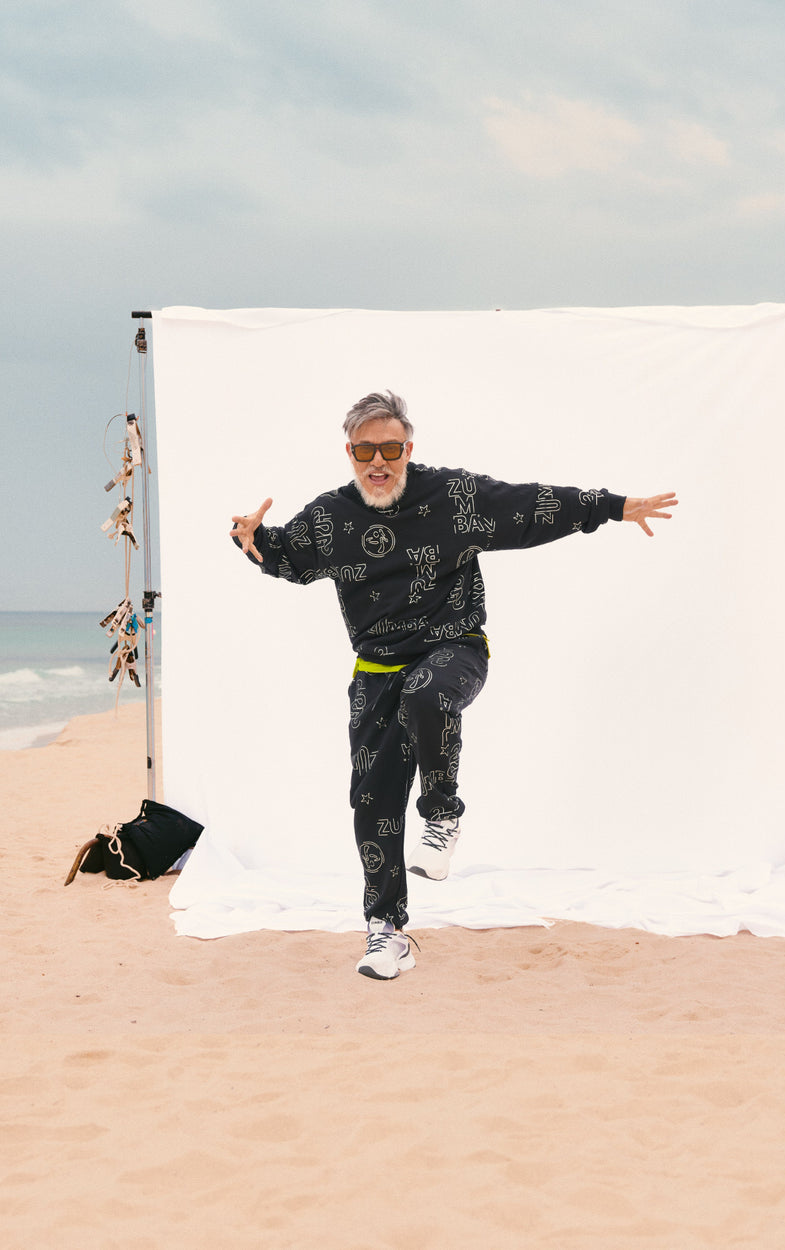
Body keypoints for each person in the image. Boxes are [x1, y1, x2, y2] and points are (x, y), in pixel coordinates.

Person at [231, 391, 677, 980]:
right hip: (375, 672)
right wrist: (249, 539)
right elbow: (284, 554)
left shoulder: (452, 498)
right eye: (365, 451)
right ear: (350, 454)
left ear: (409, 449)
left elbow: (531, 506)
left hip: (454, 650)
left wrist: (616, 506)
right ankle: (386, 932)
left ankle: (442, 813)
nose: (378, 462)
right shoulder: (333, 516)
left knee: (427, 692)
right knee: (372, 804)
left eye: (391, 448)